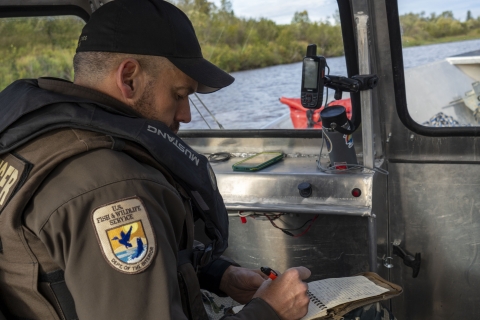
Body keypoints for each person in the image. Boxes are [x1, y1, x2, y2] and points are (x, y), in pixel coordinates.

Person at [0, 0, 311, 319]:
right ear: (129, 78)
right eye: (179, 94)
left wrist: (218, 274)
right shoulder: (112, 185)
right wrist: (270, 310)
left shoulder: (34, 142)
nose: (186, 115)